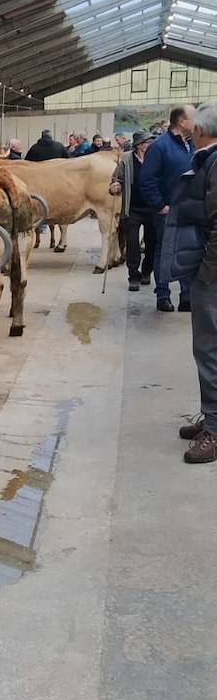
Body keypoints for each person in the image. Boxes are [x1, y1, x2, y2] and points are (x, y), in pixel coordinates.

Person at [160, 103, 217, 463]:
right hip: (207, 271)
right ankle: (211, 416)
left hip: (212, 276)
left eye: (194, 125)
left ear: (201, 131)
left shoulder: (215, 163)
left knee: (210, 350)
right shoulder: (208, 161)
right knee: (207, 350)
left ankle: (214, 427)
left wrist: (206, 273)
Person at [139, 105, 195, 313]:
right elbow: (147, 180)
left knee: (187, 251)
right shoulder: (160, 146)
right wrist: (160, 205)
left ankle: (186, 296)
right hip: (167, 211)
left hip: (189, 209)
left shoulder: (191, 145)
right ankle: (163, 295)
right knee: (164, 251)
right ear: (181, 121)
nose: (196, 122)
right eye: (193, 118)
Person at [110, 130, 155, 292]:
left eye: (149, 142)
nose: (148, 145)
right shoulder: (126, 161)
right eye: (145, 142)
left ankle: (146, 272)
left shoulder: (155, 158)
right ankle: (133, 276)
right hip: (133, 208)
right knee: (133, 244)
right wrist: (114, 187)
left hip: (152, 208)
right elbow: (115, 180)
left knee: (152, 244)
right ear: (138, 145)